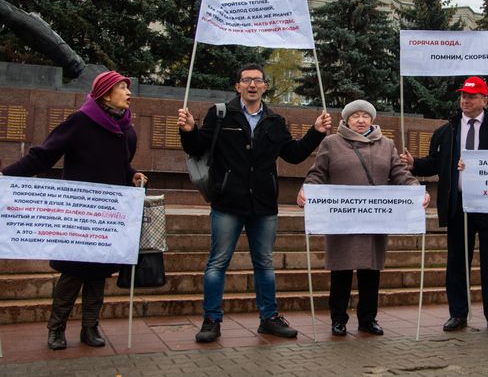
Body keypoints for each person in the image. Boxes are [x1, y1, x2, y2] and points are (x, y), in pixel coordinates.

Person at [177, 63, 332, 343]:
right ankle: (212, 319)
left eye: (257, 80)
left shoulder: (275, 121)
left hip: (263, 205)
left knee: (264, 264)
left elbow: (294, 155)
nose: (252, 85)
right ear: (237, 86)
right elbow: (197, 147)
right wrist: (189, 130)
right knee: (217, 264)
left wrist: (316, 132)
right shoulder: (221, 114)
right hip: (227, 202)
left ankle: (269, 318)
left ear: (264, 87)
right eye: (246, 80)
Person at [1, 71, 148, 350]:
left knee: (99, 273)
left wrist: (133, 174)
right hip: (78, 215)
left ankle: (90, 328)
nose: (129, 93)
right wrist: (5, 176)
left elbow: (119, 166)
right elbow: (42, 156)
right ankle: (56, 329)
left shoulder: (127, 131)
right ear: (106, 94)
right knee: (73, 272)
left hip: (107, 216)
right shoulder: (80, 122)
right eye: (122, 88)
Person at [297, 100, 430, 336]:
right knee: (341, 271)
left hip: (374, 219)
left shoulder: (386, 144)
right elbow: (318, 173)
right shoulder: (331, 142)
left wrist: (416, 189)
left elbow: (399, 173)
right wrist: (307, 189)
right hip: (342, 218)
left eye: (365, 116)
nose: (360, 120)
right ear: (346, 120)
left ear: (372, 119)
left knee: (371, 272)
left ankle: (368, 319)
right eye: (355, 116)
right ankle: (338, 319)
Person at [400, 76, 488, 333]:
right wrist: (414, 164)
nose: (465, 100)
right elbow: (435, 163)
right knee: (457, 262)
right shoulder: (447, 130)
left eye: (472, 96)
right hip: (457, 204)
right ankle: (458, 313)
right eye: (463, 95)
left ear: (485, 100)